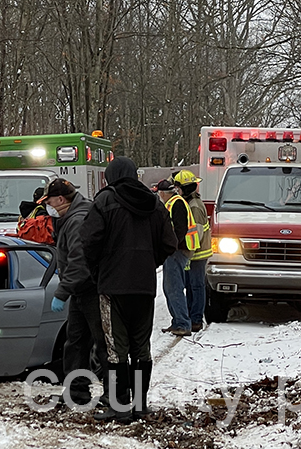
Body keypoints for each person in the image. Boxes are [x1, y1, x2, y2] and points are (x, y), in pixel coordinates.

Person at [80, 157, 177, 422]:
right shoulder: (155, 203)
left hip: (113, 287)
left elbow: (89, 242)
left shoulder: (103, 201)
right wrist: (148, 262)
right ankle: (141, 405)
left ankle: (120, 406)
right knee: (141, 348)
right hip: (143, 286)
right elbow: (169, 243)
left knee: (116, 349)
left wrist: (100, 271)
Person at [42, 178, 101, 407]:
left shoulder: (76, 220)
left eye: (49, 201)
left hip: (89, 290)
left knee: (100, 343)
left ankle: (114, 395)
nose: (49, 206)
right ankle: (77, 391)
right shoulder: (72, 216)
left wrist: (62, 291)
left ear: (60, 199)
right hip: (81, 290)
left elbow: (79, 261)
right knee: (76, 342)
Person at [156, 177, 200, 336]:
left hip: (178, 250)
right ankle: (177, 322)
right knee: (170, 288)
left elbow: (179, 230)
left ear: (162, 193)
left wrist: (170, 247)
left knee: (173, 287)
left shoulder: (177, 203)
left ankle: (182, 323)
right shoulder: (175, 202)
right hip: (178, 249)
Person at [173, 170, 211, 332]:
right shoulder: (191, 202)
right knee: (191, 285)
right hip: (195, 253)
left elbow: (198, 234)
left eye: (178, 188)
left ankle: (196, 319)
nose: (176, 191)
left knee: (196, 286)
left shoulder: (194, 207)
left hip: (197, 254)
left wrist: (187, 254)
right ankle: (191, 316)